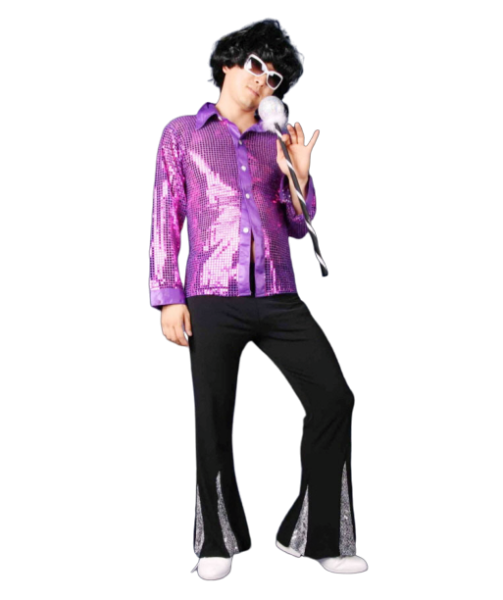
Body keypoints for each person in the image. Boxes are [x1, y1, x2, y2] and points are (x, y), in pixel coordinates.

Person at [149, 18, 368, 581]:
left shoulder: (278, 141)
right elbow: (166, 217)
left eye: (273, 77)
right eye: (254, 66)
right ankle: (216, 543)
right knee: (212, 419)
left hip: (278, 294)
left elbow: (297, 227)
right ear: (228, 63)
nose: (260, 80)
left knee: (334, 397)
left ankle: (315, 535)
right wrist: (169, 297)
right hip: (210, 294)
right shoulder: (182, 133)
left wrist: (300, 177)